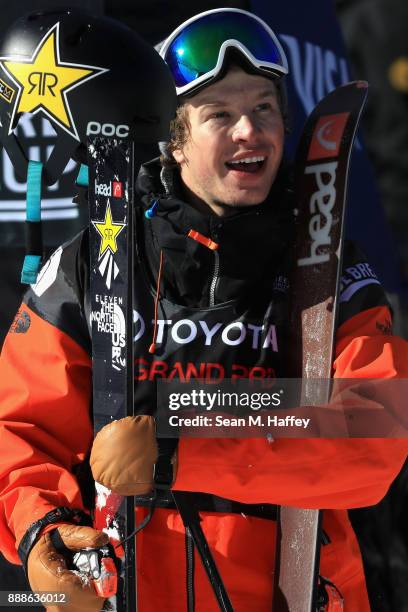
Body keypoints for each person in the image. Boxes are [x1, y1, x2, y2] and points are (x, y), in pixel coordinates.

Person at [0, 7, 407, 611]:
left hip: (292, 593)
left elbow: (375, 431)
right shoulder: (92, 266)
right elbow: (21, 431)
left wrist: (178, 449)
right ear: (174, 140)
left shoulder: (330, 270)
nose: (250, 130)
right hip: (132, 587)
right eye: (220, 113)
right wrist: (42, 534)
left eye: (264, 108)